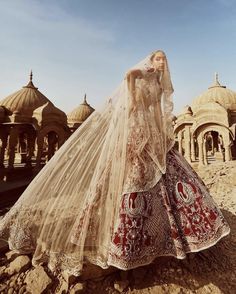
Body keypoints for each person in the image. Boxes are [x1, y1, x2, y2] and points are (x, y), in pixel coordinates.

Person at [0, 50, 230, 276]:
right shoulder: (139, 77)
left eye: (164, 61)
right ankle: (127, 245)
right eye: (158, 60)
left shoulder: (158, 85)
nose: (161, 64)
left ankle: (170, 238)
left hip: (152, 135)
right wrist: (143, 73)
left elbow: (157, 111)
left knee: (167, 182)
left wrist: (160, 134)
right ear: (151, 61)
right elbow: (129, 75)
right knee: (131, 183)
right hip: (136, 132)